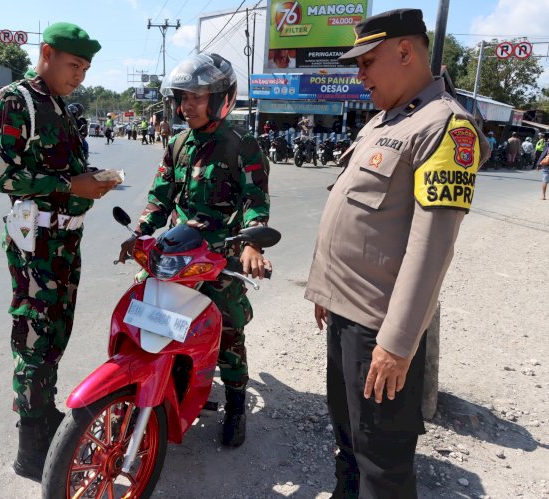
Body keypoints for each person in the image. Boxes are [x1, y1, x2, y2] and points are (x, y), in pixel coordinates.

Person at [304, 9, 489, 498]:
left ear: (405, 52)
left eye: (367, 62)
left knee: (381, 463)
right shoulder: (386, 120)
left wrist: (399, 343)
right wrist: (326, 290)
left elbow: (433, 246)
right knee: (347, 442)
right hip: (346, 313)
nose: (359, 75)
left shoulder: (446, 126)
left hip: (379, 330)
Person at [0, 21, 119, 483]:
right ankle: (31, 445)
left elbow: (67, 166)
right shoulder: (15, 102)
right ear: (46, 53)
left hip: (65, 240)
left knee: (56, 333)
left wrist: (91, 179)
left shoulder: (61, 106)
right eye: (74, 65)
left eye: (85, 68)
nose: (79, 75)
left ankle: (46, 416)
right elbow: (1, 177)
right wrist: (68, 185)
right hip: (35, 243)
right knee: (34, 339)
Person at [117, 52, 271, 447]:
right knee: (143, 300)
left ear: (221, 98)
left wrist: (252, 243)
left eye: (196, 97)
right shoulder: (177, 143)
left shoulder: (242, 145)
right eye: (183, 97)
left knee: (228, 326)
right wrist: (140, 234)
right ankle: (151, 381)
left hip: (221, 253)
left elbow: (255, 200)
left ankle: (236, 404)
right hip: (176, 251)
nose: (187, 105)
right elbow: (159, 198)